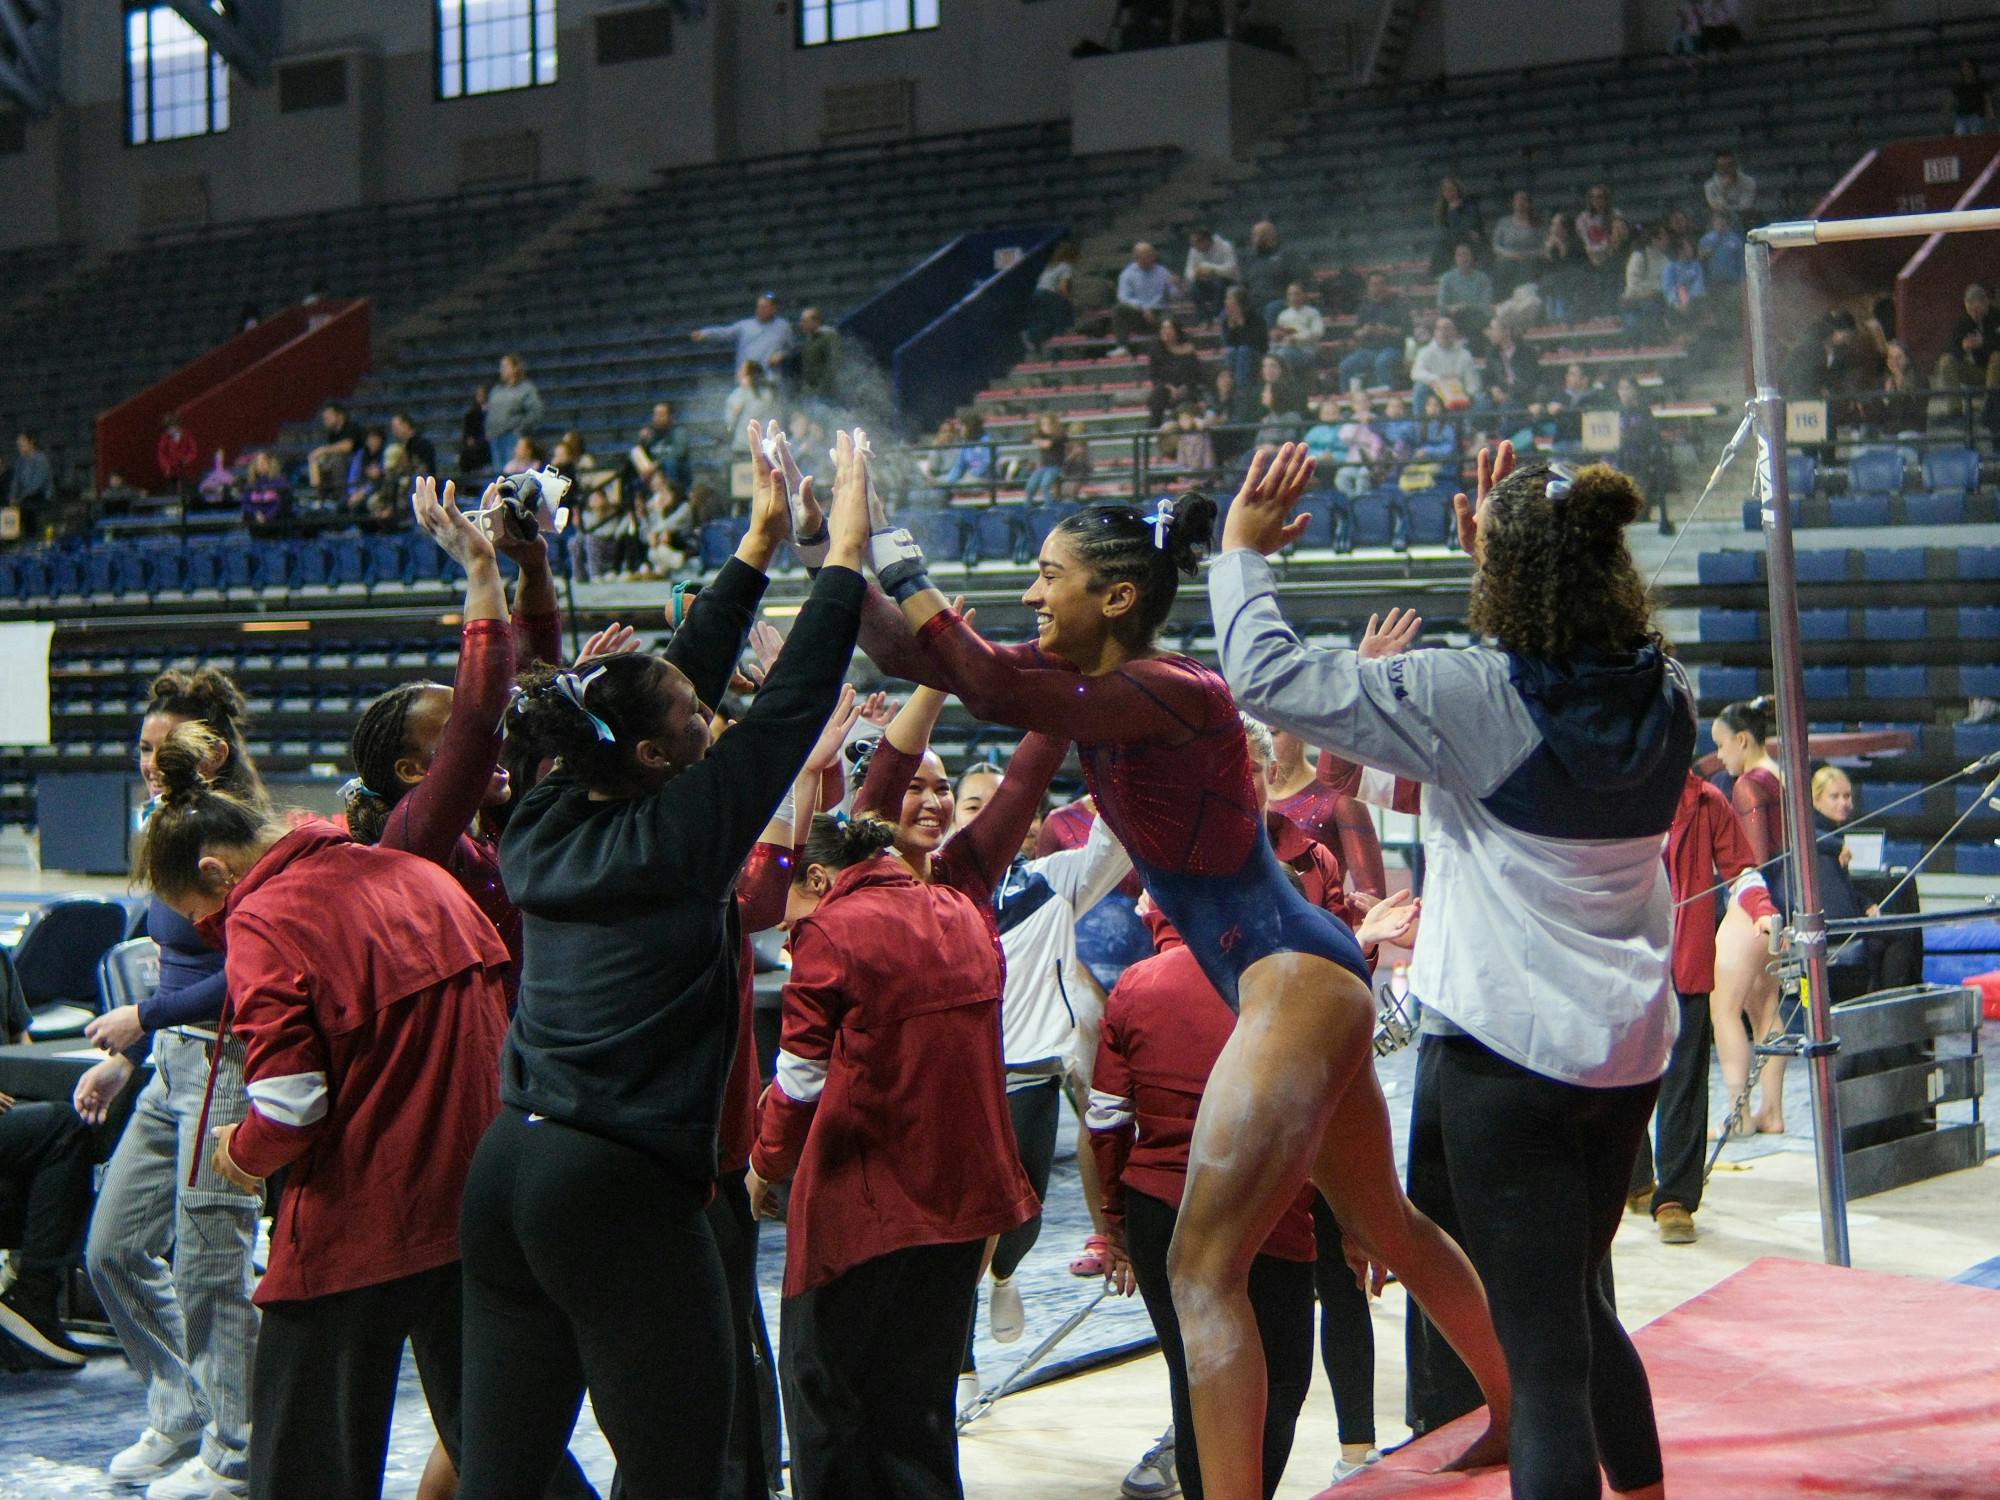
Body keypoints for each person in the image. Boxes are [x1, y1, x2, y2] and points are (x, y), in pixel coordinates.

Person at [849, 450, 1512, 1500]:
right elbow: (916, 654)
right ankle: (1515, 1407)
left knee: (1202, 1272)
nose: (1031, 594)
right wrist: (830, 547)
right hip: (1298, 973)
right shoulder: (1094, 694)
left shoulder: (1174, 690)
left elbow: (979, 676)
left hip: (1290, 976)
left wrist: (890, 550)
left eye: (1047, 575)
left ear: (1116, 596)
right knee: (1380, 1219)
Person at [1216, 443, 1687, 1500]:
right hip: (1623, 1058)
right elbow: (1520, 719)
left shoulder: (1472, 695)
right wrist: (1512, 568)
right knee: (1578, 1300)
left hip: (1506, 1059)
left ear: (1506, 577)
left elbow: (1268, 679)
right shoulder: (1667, 690)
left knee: (1540, 1360)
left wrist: (1241, 553)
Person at [453, 427, 870, 1498]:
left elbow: (655, 685)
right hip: (615, 1184)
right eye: (695, 722)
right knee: (680, 1468)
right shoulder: (681, 836)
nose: (708, 717)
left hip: (508, 1169)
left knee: (503, 1474)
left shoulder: (545, 812)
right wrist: (841, 555)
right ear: (655, 757)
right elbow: (791, 707)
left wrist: (757, 547)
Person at [132, 720, 510, 1500]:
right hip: (483, 1198)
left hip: (367, 1211)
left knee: (303, 1457)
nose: (211, 931)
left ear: (213, 870)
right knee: (503, 1449)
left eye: (200, 914)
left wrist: (239, 1153)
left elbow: (289, 1106)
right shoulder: (414, 874)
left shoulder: (267, 916)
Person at [751, 813, 1037, 1499]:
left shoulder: (830, 931)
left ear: (818, 878)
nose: (782, 927)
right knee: (919, 1407)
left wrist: (765, 1166)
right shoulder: (961, 912)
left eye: (785, 905)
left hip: (863, 1209)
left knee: (826, 1398)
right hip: (962, 1201)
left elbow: (800, 1081)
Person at [849, 686, 1123, 1399]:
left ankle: (998, 1283)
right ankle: (954, 1362)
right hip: (930, 1092)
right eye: (964, 799)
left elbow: (1104, 835)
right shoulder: (881, 883)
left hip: (1024, 1073)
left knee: (1015, 1223)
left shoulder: (1040, 883)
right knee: (943, 1239)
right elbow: (860, 809)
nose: (946, 805)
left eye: (952, 793)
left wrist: (1108, 736)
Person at [71, 670, 265, 1499]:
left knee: (212, 1266)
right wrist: (130, 1055)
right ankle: (183, 1409)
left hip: (226, 1063)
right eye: (143, 747)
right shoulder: (167, 821)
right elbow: (175, 959)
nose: (150, 762)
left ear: (213, 751)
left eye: (166, 747)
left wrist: (143, 1018)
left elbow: (255, 971)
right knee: (113, 1248)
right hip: (170, 1063)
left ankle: (237, 1453)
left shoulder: (241, 834)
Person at [1628, 770, 1777, 1246]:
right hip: (1624, 966)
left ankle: (1674, 1198)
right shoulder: (1614, 790)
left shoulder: (1708, 801)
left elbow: (1742, 871)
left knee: (1684, 1084)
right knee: (1621, 1081)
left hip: (1687, 965)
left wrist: (1762, 908)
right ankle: (1632, 1178)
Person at [1710, 696, 1789, 1138]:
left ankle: (1737, 1116)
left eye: (1721, 745)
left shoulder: (1748, 786)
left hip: (1751, 907)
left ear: (1742, 740)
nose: (1719, 756)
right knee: (1765, 1010)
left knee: (1723, 1009)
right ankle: (1771, 1112)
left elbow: (1752, 862)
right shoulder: (1780, 776)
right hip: (1778, 910)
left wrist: (1754, 906)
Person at [693, 293, 794, 376]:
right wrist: (705, 334)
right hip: (746, 377)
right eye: (759, 307)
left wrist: (781, 355)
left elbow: (790, 349)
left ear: (773, 309)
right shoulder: (745, 326)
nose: (760, 310)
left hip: (770, 378)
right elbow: (725, 332)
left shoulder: (783, 327)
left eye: (764, 307)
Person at [1339, 273, 1407, 392]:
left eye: (1381, 284)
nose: (1378, 287)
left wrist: (1388, 330)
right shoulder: (1364, 306)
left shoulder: (1398, 304)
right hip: (1368, 350)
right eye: (1374, 284)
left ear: (1387, 286)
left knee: (1382, 362)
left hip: (1392, 348)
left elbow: (1406, 331)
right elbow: (1356, 333)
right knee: (1345, 366)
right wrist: (1364, 331)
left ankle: (1388, 397)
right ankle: (1348, 398)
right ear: (1369, 287)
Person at [1112, 241, 1179, 354]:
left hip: (1159, 312)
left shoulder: (1162, 272)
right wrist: (1142, 307)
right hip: (1137, 314)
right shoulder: (1127, 274)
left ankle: (1172, 349)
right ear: (1137, 258)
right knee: (1118, 309)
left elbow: (1174, 296)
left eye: (1151, 256)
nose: (1150, 259)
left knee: (1171, 320)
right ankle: (1122, 347)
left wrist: (1177, 286)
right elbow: (1123, 297)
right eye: (1146, 257)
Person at [1410, 316, 1480, 419]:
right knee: (1420, 388)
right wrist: (1437, 379)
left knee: (1479, 399)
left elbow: (1472, 383)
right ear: (1435, 332)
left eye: (1447, 328)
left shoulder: (1464, 354)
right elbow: (1416, 373)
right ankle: (1420, 426)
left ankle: (1468, 428)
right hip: (1435, 390)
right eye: (1440, 329)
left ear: (1454, 332)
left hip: (1458, 393)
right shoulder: (1425, 352)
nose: (1443, 332)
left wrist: (1467, 394)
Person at [1934, 282, 2000, 391]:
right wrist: (1963, 346)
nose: (1974, 314)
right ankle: (1955, 401)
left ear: (1985, 303)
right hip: (1977, 371)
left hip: (1996, 370)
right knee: (1946, 361)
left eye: (1976, 310)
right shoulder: (1964, 321)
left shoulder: (1997, 317)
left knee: (1997, 357)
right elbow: (1950, 347)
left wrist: (1983, 343)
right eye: (1970, 310)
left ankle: (1991, 400)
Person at [484, 354, 545, 463]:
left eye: (505, 366)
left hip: (513, 437)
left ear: (515, 368)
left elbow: (535, 412)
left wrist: (520, 429)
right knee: (499, 469)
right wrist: (489, 430)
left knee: (513, 468)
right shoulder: (496, 390)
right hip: (495, 437)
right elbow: (490, 412)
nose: (502, 370)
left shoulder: (526, 389)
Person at [1023, 240, 1080, 354]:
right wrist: (1070, 302)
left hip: (1036, 293)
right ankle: (1056, 352)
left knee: (1042, 321)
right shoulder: (1066, 266)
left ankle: (1032, 337)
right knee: (1060, 323)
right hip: (1049, 294)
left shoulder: (1048, 266)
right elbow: (1063, 288)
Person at [1240, 221, 1303, 323]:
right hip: (1255, 302)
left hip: (1279, 301)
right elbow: (1243, 283)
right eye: (1253, 235)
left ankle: (1270, 333)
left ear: (1270, 235)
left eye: (1257, 235)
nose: (1253, 239)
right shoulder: (1250, 258)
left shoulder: (1286, 255)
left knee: (1272, 308)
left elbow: (1298, 280)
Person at [1149, 317, 1208, 425]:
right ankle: (1154, 427)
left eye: (1169, 328)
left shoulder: (1188, 349)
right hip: (1166, 390)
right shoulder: (1156, 350)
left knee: (1189, 399)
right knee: (1158, 394)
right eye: (1163, 328)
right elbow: (1154, 376)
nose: (1165, 331)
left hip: (1186, 389)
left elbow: (1197, 374)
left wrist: (1184, 387)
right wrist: (1169, 387)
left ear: (1176, 331)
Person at [630, 401, 693, 492]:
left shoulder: (679, 432)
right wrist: (642, 442)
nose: (657, 418)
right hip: (654, 475)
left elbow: (679, 452)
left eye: (661, 415)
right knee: (634, 454)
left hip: (674, 475)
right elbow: (641, 456)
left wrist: (657, 465)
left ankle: (672, 494)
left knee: (670, 463)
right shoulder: (651, 435)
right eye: (655, 415)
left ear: (670, 417)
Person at [724, 361, 783, 454]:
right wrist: (734, 414)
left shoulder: (767, 394)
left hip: (764, 446)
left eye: (745, 374)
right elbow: (729, 423)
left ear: (754, 376)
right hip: (741, 446)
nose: (740, 375)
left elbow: (774, 416)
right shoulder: (736, 395)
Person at [1269, 283, 1325, 381]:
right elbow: (1280, 335)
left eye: (1296, 294)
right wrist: (1276, 336)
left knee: (1283, 354)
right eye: (1290, 294)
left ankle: (1287, 383)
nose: (1293, 297)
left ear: (1304, 295)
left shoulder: (1312, 313)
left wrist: (1296, 338)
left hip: (1306, 352)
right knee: (1271, 354)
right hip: (1286, 347)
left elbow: (1318, 333)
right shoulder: (1283, 315)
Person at [1489, 192, 1542, 295]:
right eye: (1517, 200)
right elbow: (1496, 246)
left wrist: (1528, 254)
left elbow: (1543, 246)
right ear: (1513, 203)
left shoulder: (1537, 223)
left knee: (1528, 266)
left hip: (1530, 260)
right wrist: (1511, 255)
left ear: (1529, 204)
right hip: (1507, 260)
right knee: (1502, 265)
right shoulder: (1503, 222)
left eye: (1524, 199)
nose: (1520, 202)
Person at [1219, 284, 1269, 392]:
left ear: (1239, 301)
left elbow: (1257, 343)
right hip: (1237, 354)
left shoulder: (1255, 317)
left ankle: (1241, 388)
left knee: (1244, 350)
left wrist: (1242, 326)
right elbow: (1228, 343)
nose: (1226, 301)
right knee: (1232, 352)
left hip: (1257, 353)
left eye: (1229, 298)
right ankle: (1231, 386)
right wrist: (1232, 329)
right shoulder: (1226, 319)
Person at [1430, 177, 1483, 276]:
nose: (1449, 193)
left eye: (1451, 189)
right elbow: (1442, 229)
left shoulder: (1469, 206)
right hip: (1450, 240)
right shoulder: (1441, 209)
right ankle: (1438, 276)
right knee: (1441, 246)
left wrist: (1454, 212)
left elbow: (1470, 225)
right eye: (1445, 190)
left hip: (1467, 241)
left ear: (1458, 190)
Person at [1184, 227, 1240, 321]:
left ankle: (1217, 316)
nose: (1195, 247)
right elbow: (1188, 272)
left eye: (1197, 243)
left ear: (1205, 241)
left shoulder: (1225, 246)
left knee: (1219, 283)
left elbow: (1231, 269)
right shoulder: (1194, 250)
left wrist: (1212, 269)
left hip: (1228, 282)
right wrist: (1197, 274)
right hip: (1207, 283)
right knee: (1193, 287)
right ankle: (1204, 318)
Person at [1437, 245, 1494, 335]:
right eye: (1459, 255)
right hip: (1455, 317)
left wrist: (1466, 306)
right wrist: (1451, 308)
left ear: (1472, 257)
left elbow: (1485, 304)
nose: (1463, 258)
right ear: (1455, 258)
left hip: (1476, 317)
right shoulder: (1446, 278)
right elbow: (1441, 305)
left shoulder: (1483, 278)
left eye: (1466, 254)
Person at [796, 307, 842, 403]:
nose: (801, 324)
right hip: (811, 390)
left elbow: (834, 363)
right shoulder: (810, 338)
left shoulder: (829, 336)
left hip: (824, 392)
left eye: (805, 321)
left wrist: (823, 388)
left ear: (816, 322)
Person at [1025, 412, 1068, 504]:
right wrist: (1035, 438)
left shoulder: (1060, 435)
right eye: (1043, 424)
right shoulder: (1041, 435)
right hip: (1044, 466)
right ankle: (1027, 506)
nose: (1047, 427)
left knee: (1044, 485)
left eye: (1049, 424)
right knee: (1030, 486)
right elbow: (1027, 437)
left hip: (1056, 466)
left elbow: (1048, 444)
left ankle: (1049, 506)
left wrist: (1037, 441)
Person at [6, 430, 50, 515]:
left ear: (31, 442)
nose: (19, 445)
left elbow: (36, 485)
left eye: (22, 442)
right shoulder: (20, 461)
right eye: (18, 443)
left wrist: (19, 498)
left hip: (39, 498)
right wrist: (12, 497)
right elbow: (15, 481)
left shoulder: (41, 460)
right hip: (24, 500)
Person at [1702, 152, 1757, 220]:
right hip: (1721, 219)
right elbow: (1716, 208)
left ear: (1735, 165)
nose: (1726, 169)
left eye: (1729, 165)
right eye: (1722, 166)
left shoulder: (1749, 182)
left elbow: (1746, 206)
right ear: (1717, 168)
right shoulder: (1709, 186)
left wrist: (1728, 209)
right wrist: (1723, 191)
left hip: (1745, 218)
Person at [157, 413, 199, 498]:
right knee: (171, 491)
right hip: (171, 469)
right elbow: (161, 454)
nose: (170, 431)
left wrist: (187, 460)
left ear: (177, 426)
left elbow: (193, 450)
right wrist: (166, 466)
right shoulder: (165, 438)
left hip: (185, 468)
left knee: (186, 489)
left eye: (171, 428)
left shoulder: (187, 435)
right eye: (168, 429)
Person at [1949, 57, 1994, 135]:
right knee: (1959, 139)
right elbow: (1952, 99)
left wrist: (1990, 112)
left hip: (1976, 116)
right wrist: (1946, 112)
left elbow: (1987, 99)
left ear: (1974, 68)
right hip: (1961, 116)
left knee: (1976, 139)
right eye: (1963, 67)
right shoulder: (1958, 85)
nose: (1966, 70)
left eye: (1968, 67)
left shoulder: (1981, 84)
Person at [390, 411, 437, 477]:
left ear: (406, 425)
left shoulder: (422, 444)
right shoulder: (401, 446)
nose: (394, 431)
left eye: (396, 427)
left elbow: (425, 469)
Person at [460, 386, 493, 475]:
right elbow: (468, 433)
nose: (480, 397)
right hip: (479, 443)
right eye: (478, 395)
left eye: (482, 395)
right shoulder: (471, 415)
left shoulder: (495, 412)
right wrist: (470, 440)